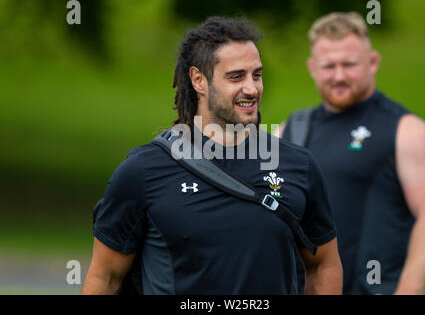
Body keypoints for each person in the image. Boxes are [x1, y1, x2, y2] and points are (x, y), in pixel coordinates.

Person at [81, 16, 343, 295]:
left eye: (257, 75)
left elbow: (324, 264)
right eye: (236, 76)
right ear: (198, 80)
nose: (252, 89)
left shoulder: (297, 165)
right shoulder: (144, 171)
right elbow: (105, 277)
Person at [276, 12, 425, 295]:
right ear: (312, 68)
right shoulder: (289, 132)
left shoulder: (406, 130)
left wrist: (408, 290)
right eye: (329, 66)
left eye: (349, 64)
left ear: (373, 62)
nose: (340, 75)